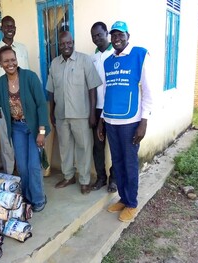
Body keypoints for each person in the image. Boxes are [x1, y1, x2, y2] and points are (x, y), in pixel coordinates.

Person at [0, 46, 50, 212]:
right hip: (17, 128)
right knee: (22, 166)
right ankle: (28, 197)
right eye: (6, 61)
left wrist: (42, 132)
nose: (10, 63)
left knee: (34, 165)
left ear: (16, 60)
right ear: (0, 64)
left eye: (13, 59)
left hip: (34, 127)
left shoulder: (30, 77)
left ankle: (39, 198)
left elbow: (42, 105)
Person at [97, 21, 154, 222]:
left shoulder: (139, 54)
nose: (117, 39)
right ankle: (123, 198)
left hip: (131, 121)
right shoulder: (108, 61)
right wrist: (102, 121)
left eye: (120, 35)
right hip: (111, 120)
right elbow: (106, 92)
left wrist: (143, 121)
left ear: (128, 35)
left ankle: (132, 203)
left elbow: (148, 90)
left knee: (129, 163)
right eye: (113, 35)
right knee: (117, 162)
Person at [46, 31, 102, 195]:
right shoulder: (55, 63)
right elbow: (51, 90)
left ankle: (84, 181)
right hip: (61, 114)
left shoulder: (84, 60)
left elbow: (92, 88)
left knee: (84, 148)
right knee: (65, 147)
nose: (66, 46)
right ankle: (69, 176)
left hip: (81, 114)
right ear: (59, 45)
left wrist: (92, 113)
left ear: (73, 42)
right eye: (62, 44)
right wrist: (51, 112)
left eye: (68, 43)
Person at [0, 16, 29, 174]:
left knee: (23, 135)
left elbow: (27, 75)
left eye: (12, 26)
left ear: (15, 28)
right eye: (6, 26)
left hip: (23, 101)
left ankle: (23, 171)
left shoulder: (22, 49)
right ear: (2, 29)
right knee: (6, 140)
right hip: (4, 100)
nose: (10, 29)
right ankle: (10, 173)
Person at [90, 21, 117, 192]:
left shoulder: (115, 53)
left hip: (113, 108)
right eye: (93, 36)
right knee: (98, 146)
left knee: (114, 145)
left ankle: (113, 179)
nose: (96, 38)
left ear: (106, 33)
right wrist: (91, 111)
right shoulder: (91, 58)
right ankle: (101, 177)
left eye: (99, 34)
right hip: (96, 108)